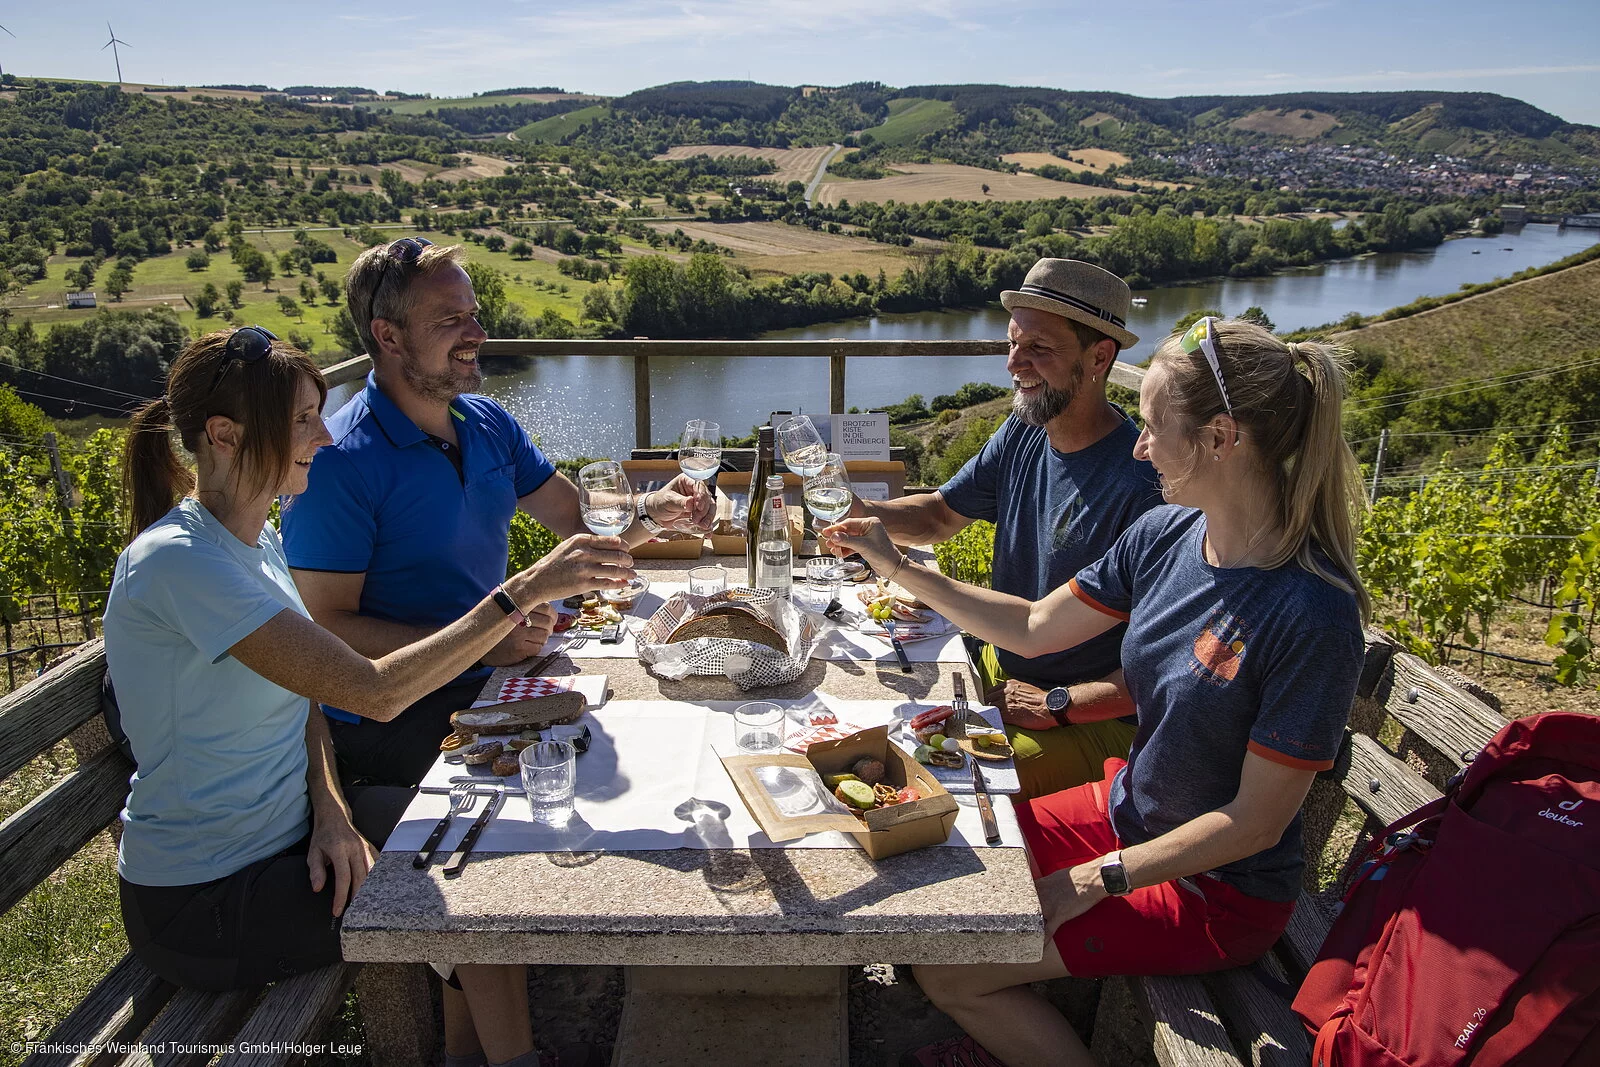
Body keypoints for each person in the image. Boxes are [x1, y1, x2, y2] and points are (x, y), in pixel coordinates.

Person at [824, 317, 1370, 1067]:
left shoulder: (1312, 611)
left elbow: (1251, 822)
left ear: (1220, 438)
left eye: (1151, 426)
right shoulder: (1170, 533)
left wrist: (1094, 878)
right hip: (1123, 810)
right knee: (945, 849)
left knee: (949, 968)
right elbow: (1036, 625)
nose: (1139, 447)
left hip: (1214, 889)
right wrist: (897, 566)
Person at [105, 327, 634, 1067]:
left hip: (291, 839)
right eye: (300, 419)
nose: (323, 434)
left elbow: (310, 701)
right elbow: (370, 691)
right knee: (471, 888)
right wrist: (520, 593)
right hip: (206, 898)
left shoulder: (251, 544)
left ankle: (465, 1057)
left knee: (482, 841)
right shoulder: (181, 563)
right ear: (223, 435)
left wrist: (331, 808)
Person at [281, 239, 714, 788]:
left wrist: (654, 511)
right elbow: (326, 630)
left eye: (474, 315)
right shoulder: (336, 462)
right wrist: (487, 636)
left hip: (496, 677)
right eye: (451, 319)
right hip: (398, 718)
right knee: (583, 789)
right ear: (387, 336)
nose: (478, 335)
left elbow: (580, 520)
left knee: (664, 747)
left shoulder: (485, 421)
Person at [857, 259, 1163, 798]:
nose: (1015, 364)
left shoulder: (1142, 487)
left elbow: (1164, 666)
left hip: (1095, 719)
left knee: (939, 782)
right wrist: (855, 514)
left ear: (1099, 357)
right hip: (1009, 671)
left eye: (1039, 349)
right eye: (1013, 343)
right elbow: (939, 516)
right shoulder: (1026, 428)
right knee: (874, 732)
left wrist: (1057, 705)